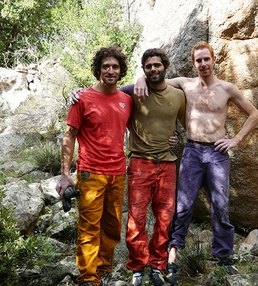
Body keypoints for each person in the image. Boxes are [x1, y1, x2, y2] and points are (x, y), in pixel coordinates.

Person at [134, 41, 258, 283]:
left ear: (214, 61)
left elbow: (254, 114)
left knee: (220, 206)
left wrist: (236, 139)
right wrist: (141, 78)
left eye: (206, 59)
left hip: (216, 153)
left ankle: (224, 256)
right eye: (198, 60)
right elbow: (155, 79)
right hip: (192, 152)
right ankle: (172, 255)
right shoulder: (184, 84)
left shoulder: (227, 89)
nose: (203, 64)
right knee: (182, 207)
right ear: (193, 63)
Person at [71, 48, 185, 286]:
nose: (153, 69)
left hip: (158, 166)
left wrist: (175, 137)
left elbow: (182, 118)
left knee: (161, 218)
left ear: (165, 66)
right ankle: (125, 269)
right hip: (131, 165)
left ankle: (155, 264)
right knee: (134, 220)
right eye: (148, 67)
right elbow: (101, 96)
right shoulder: (130, 93)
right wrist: (76, 93)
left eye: (157, 65)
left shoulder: (174, 95)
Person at [55, 46, 133, 286]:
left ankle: (104, 269)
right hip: (91, 173)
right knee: (89, 228)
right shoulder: (82, 99)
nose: (110, 70)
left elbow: (136, 129)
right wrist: (65, 174)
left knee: (112, 226)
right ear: (98, 69)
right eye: (106, 66)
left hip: (118, 173)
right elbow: (69, 136)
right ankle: (88, 278)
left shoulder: (126, 100)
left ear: (121, 71)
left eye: (115, 67)